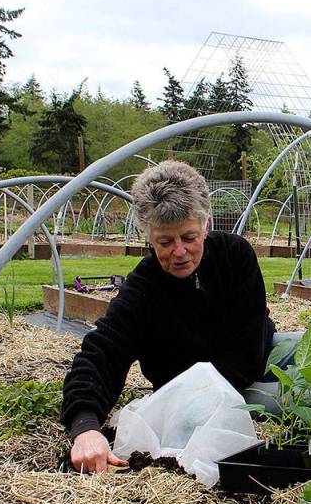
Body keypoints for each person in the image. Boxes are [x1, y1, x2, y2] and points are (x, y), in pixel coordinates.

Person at [60, 160, 276, 473]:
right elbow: (102, 351)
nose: (179, 252)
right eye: (165, 242)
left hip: (254, 361)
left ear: (206, 225)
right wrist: (86, 426)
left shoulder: (235, 256)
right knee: (305, 397)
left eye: (189, 238)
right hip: (211, 396)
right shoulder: (143, 290)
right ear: (148, 238)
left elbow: (248, 353)